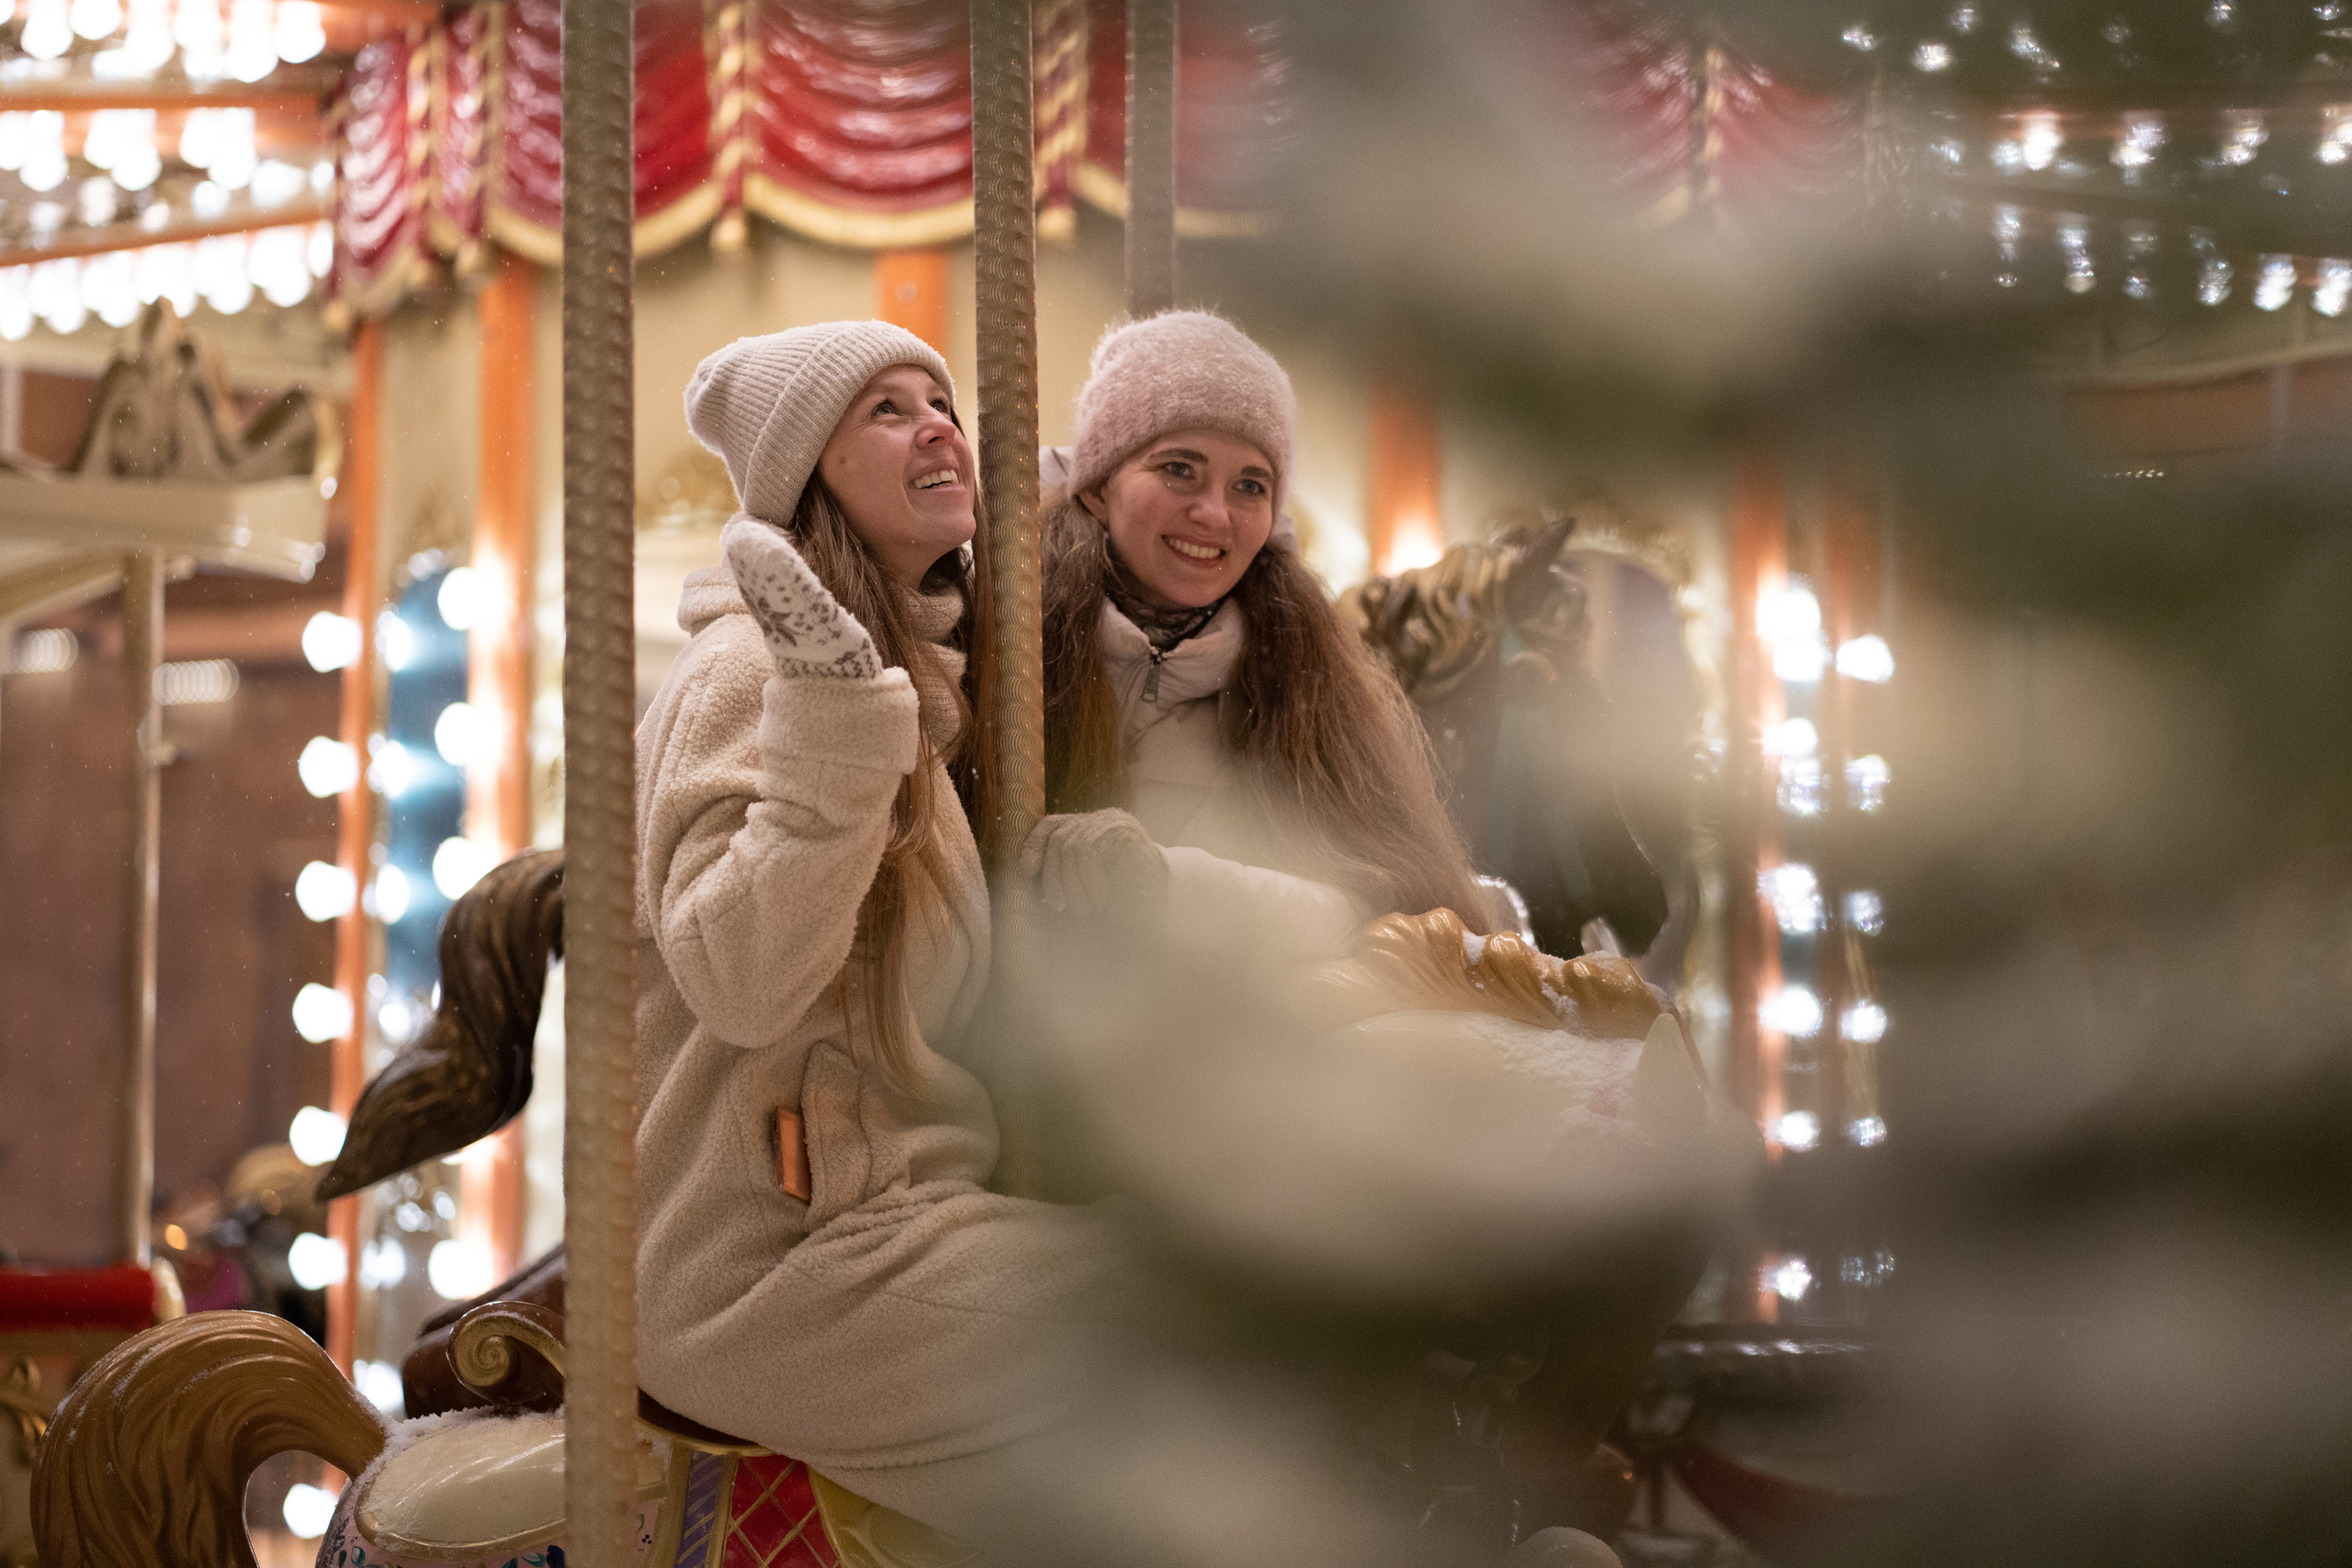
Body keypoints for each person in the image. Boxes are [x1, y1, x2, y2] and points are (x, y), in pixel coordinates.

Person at [631, 321, 1108, 1535]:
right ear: (807, 477)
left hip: (900, 1208)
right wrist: (835, 724)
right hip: (778, 1252)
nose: (939, 423)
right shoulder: (747, 673)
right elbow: (740, 975)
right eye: (887, 410)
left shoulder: (906, 682)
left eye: (939, 398)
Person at [1024, 310, 1493, 958]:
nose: (1215, 513)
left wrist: (1173, 886)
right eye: (1178, 469)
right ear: (1101, 487)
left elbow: (1397, 918)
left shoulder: (1305, 678)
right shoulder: (1009, 640)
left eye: (1250, 485)